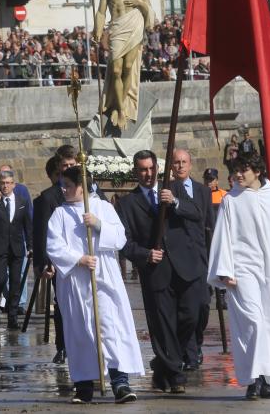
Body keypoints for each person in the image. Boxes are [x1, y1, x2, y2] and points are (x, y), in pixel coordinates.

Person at [208, 153, 270, 400]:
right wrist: (225, 270)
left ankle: (265, 380)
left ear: (256, 170)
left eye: (243, 170)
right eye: (236, 171)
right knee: (253, 322)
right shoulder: (231, 201)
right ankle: (253, 379)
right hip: (243, 270)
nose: (238, 175)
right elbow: (222, 235)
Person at [46, 166, 144, 404]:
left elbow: (120, 238)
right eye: (63, 185)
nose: (64, 189)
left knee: (109, 329)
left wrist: (99, 224)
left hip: (103, 279)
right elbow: (54, 246)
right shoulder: (60, 214)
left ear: (82, 187)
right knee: (81, 332)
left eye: (68, 185)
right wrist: (78, 259)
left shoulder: (102, 207)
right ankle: (84, 385)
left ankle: (120, 381)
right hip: (76, 283)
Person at [117, 150, 202, 394]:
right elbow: (124, 243)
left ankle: (164, 363)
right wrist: (145, 254)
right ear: (136, 172)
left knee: (191, 316)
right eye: (143, 169)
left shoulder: (174, 188)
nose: (148, 174)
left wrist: (174, 202)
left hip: (185, 265)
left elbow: (196, 213)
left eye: (151, 169)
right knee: (163, 325)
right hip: (156, 271)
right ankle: (176, 375)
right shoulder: (127, 203)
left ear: (158, 169)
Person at [93, 0, 156, 130]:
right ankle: (120, 110)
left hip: (135, 28)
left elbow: (150, 11)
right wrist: (98, 30)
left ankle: (122, 107)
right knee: (116, 70)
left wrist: (139, 3)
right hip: (117, 29)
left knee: (129, 68)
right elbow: (101, 11)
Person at [171, 149, 214, 371]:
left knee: (203, 307)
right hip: (178, 259)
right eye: (176, 162)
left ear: (190, 164)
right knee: (187, 311)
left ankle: (196, 343)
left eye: (183, 162)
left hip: (201, 256)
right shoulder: (166, 191)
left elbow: (209, 225)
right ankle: (189, 352)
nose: (180, 166)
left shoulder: (203, 191)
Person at [33, 151, 74, 364]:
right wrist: (44, 263)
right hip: (60, 262)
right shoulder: (48, 197)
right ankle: (63, 346)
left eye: (72, 164)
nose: (69, 169)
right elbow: (41, 234)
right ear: (59, 170)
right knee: (62, 304)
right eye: (65, 166)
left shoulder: (89, 192)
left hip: (84, 259)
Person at [0, 169, 33, 329]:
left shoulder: (22, 201)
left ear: (13, 184)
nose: (5, 186)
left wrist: (31, 246)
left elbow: (27, 226)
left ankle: (12, 317)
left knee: (16, 282)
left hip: (17, 248)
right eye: (2, 183)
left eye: (8, 183)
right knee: (1, 279)